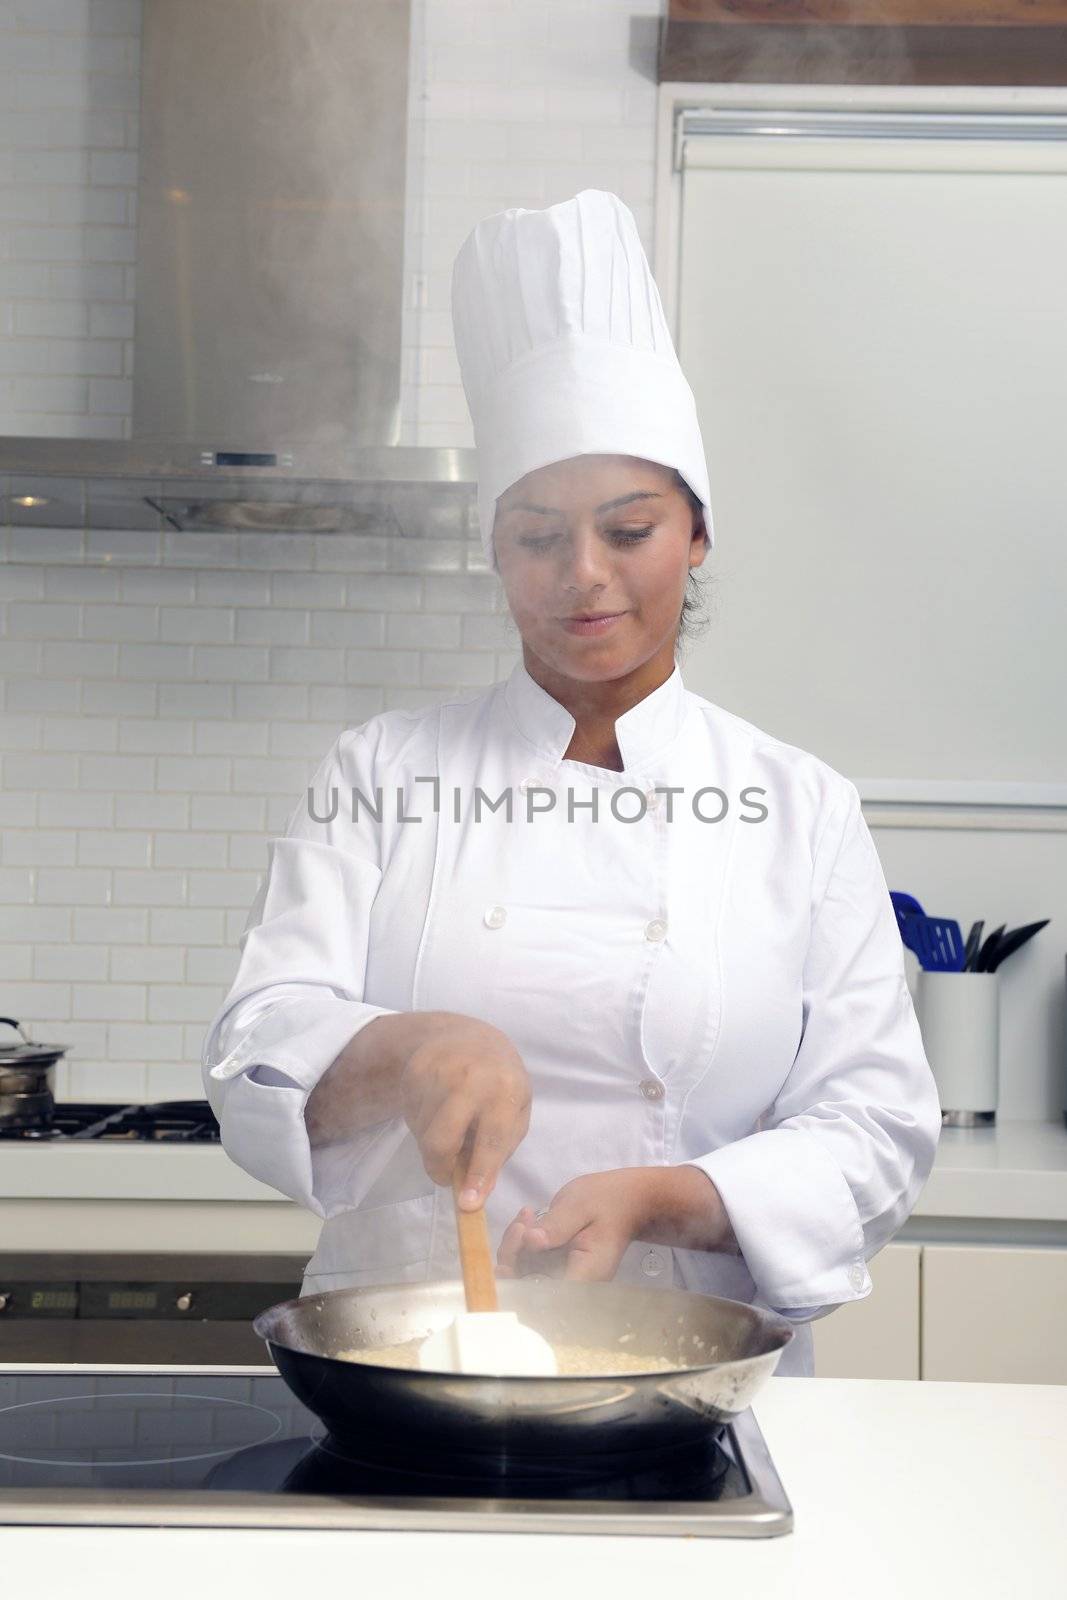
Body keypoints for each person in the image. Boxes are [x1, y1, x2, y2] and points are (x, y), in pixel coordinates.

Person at [201, 189, 942, 1378]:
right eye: (537, 535)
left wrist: (669, 1193)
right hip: (406, 1366)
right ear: (494, 550)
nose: (581, 578)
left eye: (628, 529)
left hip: (697, 1379)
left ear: (695, 535)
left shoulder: (799, 808)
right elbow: (251, 1048)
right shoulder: (384, 771)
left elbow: (877, 1125)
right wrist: (405, 1048)